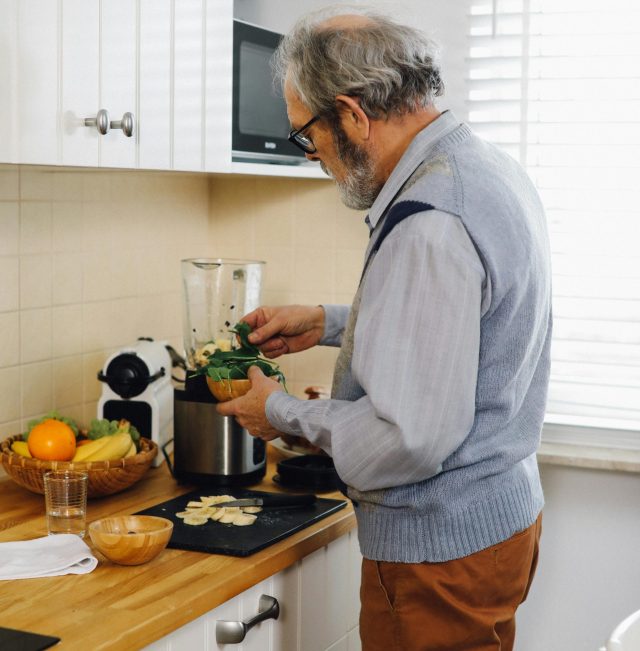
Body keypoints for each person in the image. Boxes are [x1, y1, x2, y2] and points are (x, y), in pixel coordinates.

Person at [217, 6, 551, 650]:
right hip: (496, 522)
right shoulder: (483, 169)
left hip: (438, 551)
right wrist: (331, 323)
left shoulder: (429, 216)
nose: (314, 157)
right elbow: (465, 328)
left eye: (306, 136)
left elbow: (409, 438)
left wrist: (279, 411)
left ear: (351, 114)